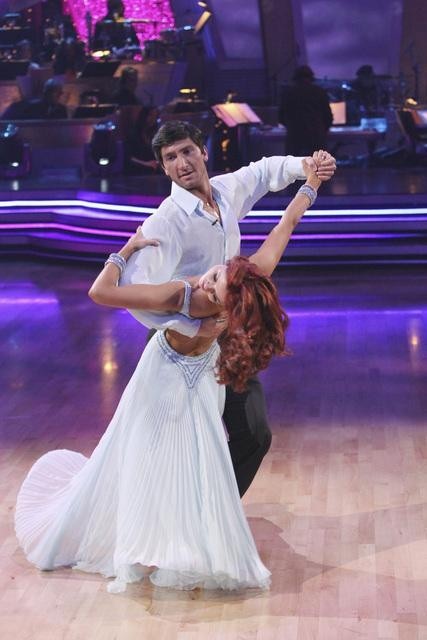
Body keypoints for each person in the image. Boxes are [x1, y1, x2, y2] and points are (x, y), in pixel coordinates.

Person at [15, 156, 325, 594]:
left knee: (163, 464)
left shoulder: (180, 295)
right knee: (185, 465)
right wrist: (308, 186)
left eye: (214, 279)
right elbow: (284, 229)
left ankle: (165, 541)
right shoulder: (243, 293)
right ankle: (168, 541)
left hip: (166, 383)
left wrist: (127, 249)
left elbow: (100, 292)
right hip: (194, 386)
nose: (208, 275)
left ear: (223, 299)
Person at [120, 120, 336, 497]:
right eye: (171, 157)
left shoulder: (223, 192)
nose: (182, 162)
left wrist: (305, 166)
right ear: (164, 168)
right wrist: (190, 328)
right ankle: (175, 522)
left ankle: (215, 517)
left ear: (203, 152)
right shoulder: (165, 221)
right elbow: (136, 293)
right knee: (173, 446)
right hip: (180, 350)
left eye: (187, 151)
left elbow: (263, 172)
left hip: (228, 337)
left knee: (254, 433)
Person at [279, 65, 333, 156]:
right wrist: (323, 130)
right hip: (316, 135)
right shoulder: (320, 92)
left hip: (294, 136)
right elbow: (328, 116)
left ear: (295, 78)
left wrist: (291, 127)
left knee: (293, 166)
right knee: (319, 167)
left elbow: (281, 117)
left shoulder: (287, 93)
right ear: (311, 78)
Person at [124, 105, 160, 174]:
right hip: (138, 168)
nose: (153, 119)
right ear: (144, 116)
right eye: (150, 115)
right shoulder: (133, 134)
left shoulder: (155, 134)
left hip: (153, 169)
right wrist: (146, 164)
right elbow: (128, 157)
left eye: (155, 116)